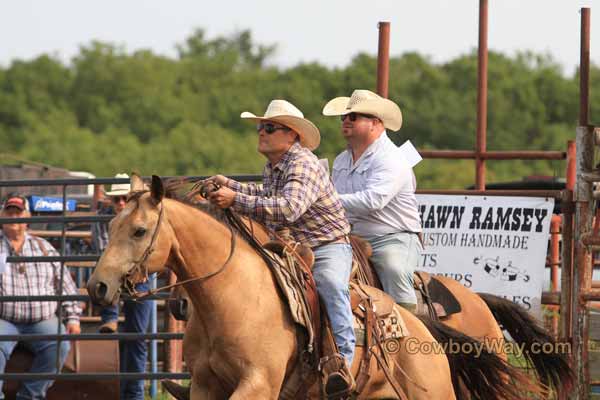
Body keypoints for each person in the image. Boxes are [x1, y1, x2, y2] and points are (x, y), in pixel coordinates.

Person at [206, 99, 356, 397]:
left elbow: (289, 208)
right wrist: (230, 185)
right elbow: (266, 193)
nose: (262, 132)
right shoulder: (276, 165)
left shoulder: (302, 164)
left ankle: (343, 363)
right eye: (262, 127)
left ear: (292, 135)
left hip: (326, 246)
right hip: (291, 246)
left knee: (330, 284)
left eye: (270, 127)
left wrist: (233, 198)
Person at [323, 89, 422, 312]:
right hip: (349, 236)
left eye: (353, 116)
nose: (346, 121)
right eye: (344, 117)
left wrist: (326, 200)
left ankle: (413, 327)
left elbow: (373, 200)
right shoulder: (341, 160)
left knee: (393, 267)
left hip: (392, 237)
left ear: (375, 123)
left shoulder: (391, 157)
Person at [0, 193, 82, 400]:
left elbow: (65, 284)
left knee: (60, 344)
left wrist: (72, 317)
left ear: (27, 217)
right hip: (4, 319)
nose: (14, 217)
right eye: (9, 212)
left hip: (42, 320)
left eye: (18, 212)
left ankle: (30, 395)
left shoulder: (44, 248)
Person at [92, 174, 153, 400]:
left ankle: (133, 394)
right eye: (116, 199)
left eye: (123, 199)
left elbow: (148, 252)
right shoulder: (105, 218)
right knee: (106, 275)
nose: (119, 204)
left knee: (136, 337)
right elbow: (103, 253)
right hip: (116, 273)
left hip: (139, 275)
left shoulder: (141, 218)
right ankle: (110, 316)